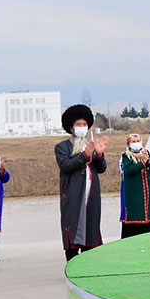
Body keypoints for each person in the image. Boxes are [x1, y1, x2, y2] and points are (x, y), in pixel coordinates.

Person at [56, 104, 108, 261]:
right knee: (72, 227)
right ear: (71, 127)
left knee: (91, 227)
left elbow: (101, 169)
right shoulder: (62, 147)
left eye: (84, 124)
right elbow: (65, 165)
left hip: (91, 194)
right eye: (78, 124)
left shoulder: (90, 145)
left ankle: (89, 264)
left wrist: (99, 155)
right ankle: (71, 264)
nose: (82, 127)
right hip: (72, 195)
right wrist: (85, 155)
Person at [118, 133, 150, 238]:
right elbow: (129, 171)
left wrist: (148, 160)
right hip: (133, 197)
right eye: (133, 141)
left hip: (146, 198)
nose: (136, 143)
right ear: (129, 144)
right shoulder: (126, 156)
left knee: (145, 228)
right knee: (131, 228)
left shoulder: (146, 153)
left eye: (138, 141)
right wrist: (142, 163)